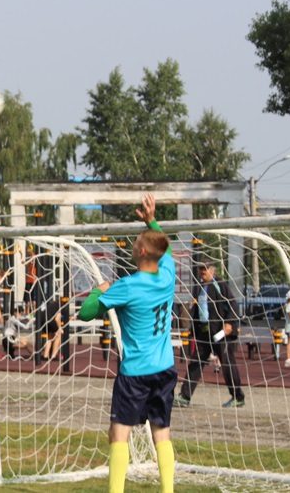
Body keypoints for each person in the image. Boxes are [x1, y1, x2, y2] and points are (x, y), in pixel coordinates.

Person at [78, 194, 176, 493]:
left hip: (135, 373)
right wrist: (151, 220)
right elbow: (167, 250)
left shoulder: (127, 286)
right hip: (165, 368)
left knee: (118, 434)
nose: (132, 245)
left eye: (136, 242)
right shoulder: (168, 275)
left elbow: (85, 313)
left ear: (142, 250)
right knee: (162, 433)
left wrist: (99, 290)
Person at [175, 262, 245, 408]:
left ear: (212, 270)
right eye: (200, 269)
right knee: (196, 362)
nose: (202, 271)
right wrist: (193, 328)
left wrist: (229, 323)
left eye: (205, 269)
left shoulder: (220, 284)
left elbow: (232, 304)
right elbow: (195, 308)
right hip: (204, 332)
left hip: (220, 332)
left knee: (227, 363)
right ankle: (185, 396)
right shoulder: (198, 287)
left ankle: (238, 397)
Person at [39, 297, 64, 361]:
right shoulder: (60, 306)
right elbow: (57, 319)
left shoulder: (52, 304)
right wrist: (60, 328)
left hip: (42, 320)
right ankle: (53, 355)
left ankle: (45, 355)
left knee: (50, 337)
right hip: (50, 320)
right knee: (59, 335)